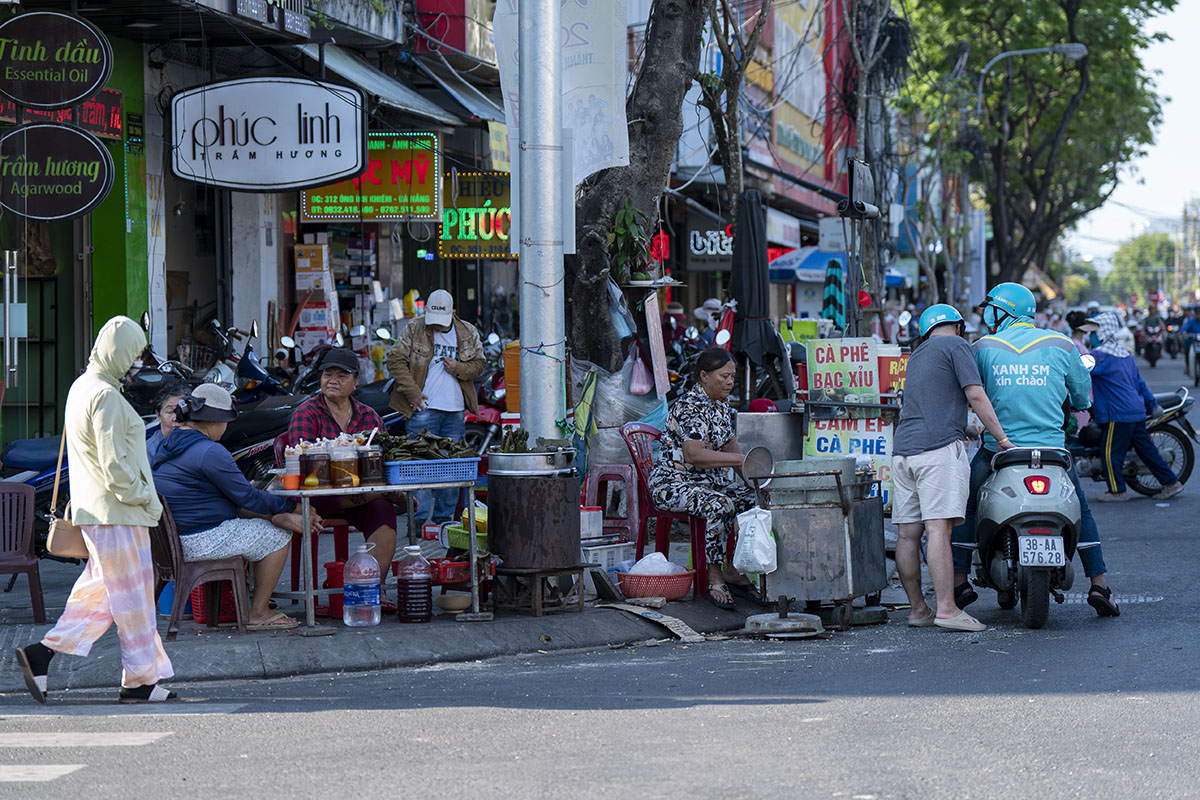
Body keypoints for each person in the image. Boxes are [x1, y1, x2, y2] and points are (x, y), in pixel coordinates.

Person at [15, 317, 175, 705]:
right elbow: (115, 467)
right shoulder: (105, 395)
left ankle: (45, 654)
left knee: (102, 593)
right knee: (134, 597)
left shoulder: (82, 387)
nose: (137, 362)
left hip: (98, 510)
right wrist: (146, 499)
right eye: (135, 353)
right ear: (119, 351)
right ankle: (138, 681)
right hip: (118, 511)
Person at [951, 283, 1121, 618]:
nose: (986, 315)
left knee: (967, 505)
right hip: (1053, 455)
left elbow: (973, 394)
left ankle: (959, 581)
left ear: (1003, 311)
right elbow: (1082, 398)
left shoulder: (982, 347)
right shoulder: (1061, 343)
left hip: (999, 452)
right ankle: (1099, 584)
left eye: (990, 308)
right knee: (1082, 510)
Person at [151, 385, 323, 631]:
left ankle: (278, 519)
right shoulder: (209, 451)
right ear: (213, 421)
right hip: (197, 540)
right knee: (276, 537)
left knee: (258, 518)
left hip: (171, 541)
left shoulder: (168, 444)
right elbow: (249, 498)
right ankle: (259, 611)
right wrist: (293, 507)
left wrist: (280, 511)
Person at [893, 305, 1014, 633]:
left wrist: (965, 427)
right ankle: (947, 609)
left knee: (907, 534)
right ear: (958, 326)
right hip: (936, 451)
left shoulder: (918, 354)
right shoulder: (957, 345)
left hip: (903, 451)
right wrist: (1001, 439)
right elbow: (974, 393)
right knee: (938, 530)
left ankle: (918, 609)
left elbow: (932, 402)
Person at [647, 348, 767, 610]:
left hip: (707, 484)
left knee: (753, 500)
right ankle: (714, 573)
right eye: (724, 376)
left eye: (732, 376)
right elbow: (694, 455)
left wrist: (754, 481)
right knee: (720, 504)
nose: (730, 382)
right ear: (703, 376)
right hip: (673, 484)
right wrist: (740, 461)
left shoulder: (721, 406)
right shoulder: (690, 406)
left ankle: (734, 570)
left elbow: (731, 447)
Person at [288, 347, 400, 574]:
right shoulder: (307, 414)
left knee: (383, 508)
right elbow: (301, 465)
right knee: (373, 495)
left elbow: (385, 458)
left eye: (342, 376)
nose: (333, 381)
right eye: (328, 375)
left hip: (362, 495)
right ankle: (381, 493)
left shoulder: (369, 416)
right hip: (320, 495)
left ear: (355, 382)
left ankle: (371, 585)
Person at [386, 289, 485, 525]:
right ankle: (418, 522)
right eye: (433, 320)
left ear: (452, 313)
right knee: (419, 466)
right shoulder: (415, 327)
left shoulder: (467, 331)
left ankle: (443, 521)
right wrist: (413, 393)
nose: (437, 326)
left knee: (451, 467)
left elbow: (480, 363)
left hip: (455, 409)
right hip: (423, 407)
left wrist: (459, 368)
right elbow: (394, 360)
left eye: (442, 321)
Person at [1086, 311, 1183, 503]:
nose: (1091, 335)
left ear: (1104, 332)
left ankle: (1117, 491)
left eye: (1094, 331)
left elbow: (1078, 372)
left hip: (1119, 413)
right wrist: (1152, 405)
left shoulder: (1100, 356)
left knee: (1110, 453)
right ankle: (1172, 482)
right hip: (1137, 411)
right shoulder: (1125, 355)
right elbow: (1140, 384)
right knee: (1146, 450)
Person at [145, 383, 187, 454]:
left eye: (181, 411)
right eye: (170, 412)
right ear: (159, 415)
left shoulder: (199, 443)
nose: (176, 418)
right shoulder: (150, 451)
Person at [1182, 306, 1200, 377]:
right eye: (1198, 314)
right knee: (1187, 349)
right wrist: (1184, 333)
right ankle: (1188, 366)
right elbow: (1184, 329)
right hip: (1193, 342)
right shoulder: (1191, 321)